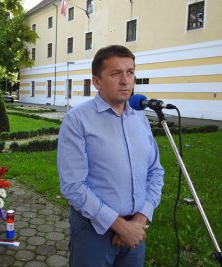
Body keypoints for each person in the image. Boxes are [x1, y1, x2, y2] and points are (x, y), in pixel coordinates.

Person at [57, 45, 165, 267]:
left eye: (130, 72)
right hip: (93, 233)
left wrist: (139, 219)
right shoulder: (77, 120)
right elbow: (72, 185)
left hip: (136, 231)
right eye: (116, 73)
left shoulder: (140, 119)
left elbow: (155, 171)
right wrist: (120, 226)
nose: (126, 81)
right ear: (97, 82)